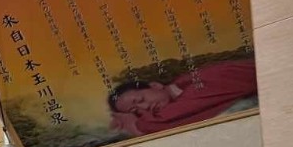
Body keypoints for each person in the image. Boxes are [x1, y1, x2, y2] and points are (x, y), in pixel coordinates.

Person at [107, 58, 257, 137]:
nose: (145, 107)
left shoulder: (196, 84)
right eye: (136, 111)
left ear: (155, 85)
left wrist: (135, 124)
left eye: (140, 100)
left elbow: (164, 120)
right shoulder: (182, 90)